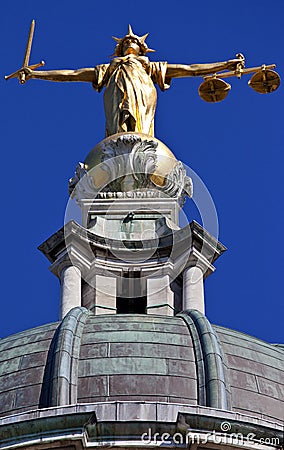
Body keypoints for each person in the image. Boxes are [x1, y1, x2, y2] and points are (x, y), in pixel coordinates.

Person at [20, 25, 244, 137]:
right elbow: (73, 74)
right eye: (126, 40)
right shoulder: (110, 68)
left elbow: (190, 69)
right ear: (118, 48)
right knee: (118, 129)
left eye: (133, 40)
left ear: (142, 48)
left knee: (141, 130)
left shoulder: (148, 66)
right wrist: (37, 74)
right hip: (115, 92)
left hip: (143, 92)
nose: (129, 41)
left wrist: (224, 65)